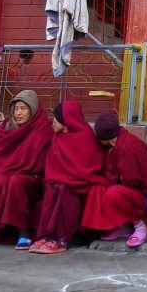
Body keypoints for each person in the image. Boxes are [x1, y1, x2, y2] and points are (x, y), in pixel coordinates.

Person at [0, 89, 52, 251]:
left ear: (33, 109)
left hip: (32, 177)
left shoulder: (42, 128)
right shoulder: (7, 126)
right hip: (7, 173)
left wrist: (19, 169)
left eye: (23, 108)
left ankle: (23, 231)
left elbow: (41, 160)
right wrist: (5, 170)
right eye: (16, 108)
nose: (18, 113)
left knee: (15, 181)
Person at [29, 100, 110, 254]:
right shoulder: (58, 137)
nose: (53, 121)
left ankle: (60, 239)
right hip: (60, 181)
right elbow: (53, 167)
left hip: (81, 185)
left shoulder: (85, 137)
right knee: (54, 187)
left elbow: (89, 169)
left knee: (64, 189)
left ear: (66, 120)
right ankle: (46, 236)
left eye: (57, 118)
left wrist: (65, 179)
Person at [80, 111, 147, 248]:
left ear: (104, 136)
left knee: (114, 193)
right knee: (100, 187)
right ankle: (124, 226)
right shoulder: (120, 143)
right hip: (138, 193)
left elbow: (132, 182)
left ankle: (142, 226)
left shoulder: (127, 147)